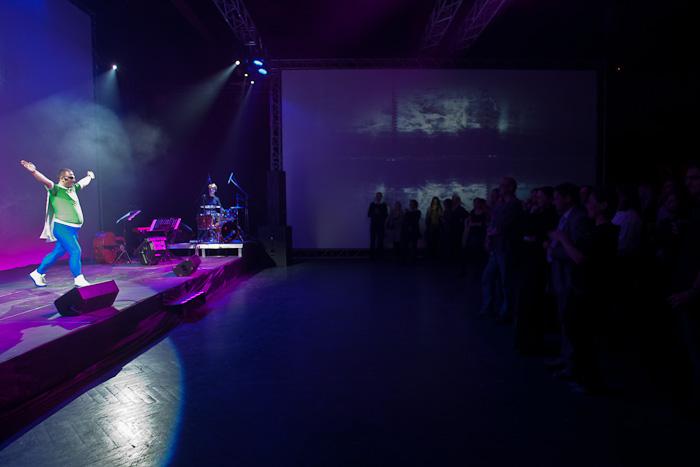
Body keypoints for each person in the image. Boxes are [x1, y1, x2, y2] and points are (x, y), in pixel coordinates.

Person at [21, 160, 95, 288]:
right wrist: (34, 171)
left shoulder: (73, 188)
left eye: (73, 177)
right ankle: (78, 278)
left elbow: (83, 182)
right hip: (62, 228)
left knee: (57, 253)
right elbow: (45, 180)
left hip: (73, 230)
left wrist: (89, 177)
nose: (73, 180)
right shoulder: (55, 189)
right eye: (70, 177)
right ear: (62, 178)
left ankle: (38, 273)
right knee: (76, 251)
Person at [547, 182, 592, 379]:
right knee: (565, 321)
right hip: (562, 277)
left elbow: (578, 253)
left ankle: (571, 365)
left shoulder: (578, 219)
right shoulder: (567, 217)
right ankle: (566, 359)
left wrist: (554, 249)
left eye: (557, 197)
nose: (554, 201)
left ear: (568, 198)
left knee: (570, 323)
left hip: (570, 279)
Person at [668, 162, 700, 411]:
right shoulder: (694, 210)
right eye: (687, 178)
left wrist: (693, 292)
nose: (688, 183)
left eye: (694, 178)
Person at [480, 177, 523, 323]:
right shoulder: (501, 204)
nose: (500, 187)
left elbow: (502, 225)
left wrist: (490, 235)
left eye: (503, 185)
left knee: (506, 282)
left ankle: (506, 312)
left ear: (511, 187)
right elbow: (494, 223)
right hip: (497, 248)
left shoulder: (515, 205)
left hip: (507, 248)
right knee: (488, 278)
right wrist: (488, 238)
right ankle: (490, 308)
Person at [367, 192, 388, 259]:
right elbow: (369, 214)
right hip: (373, 225)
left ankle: (380, 255)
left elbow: (386, 215)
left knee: (380, 240)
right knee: (372, 240)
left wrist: (380, 213)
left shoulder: (384, 205)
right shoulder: (372, 204)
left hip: (380, 225)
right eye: (377, 196)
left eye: (379, 196)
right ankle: (372, 256)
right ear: (375, 197)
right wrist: (374, 213)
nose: (378, 197)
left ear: (381, 197)